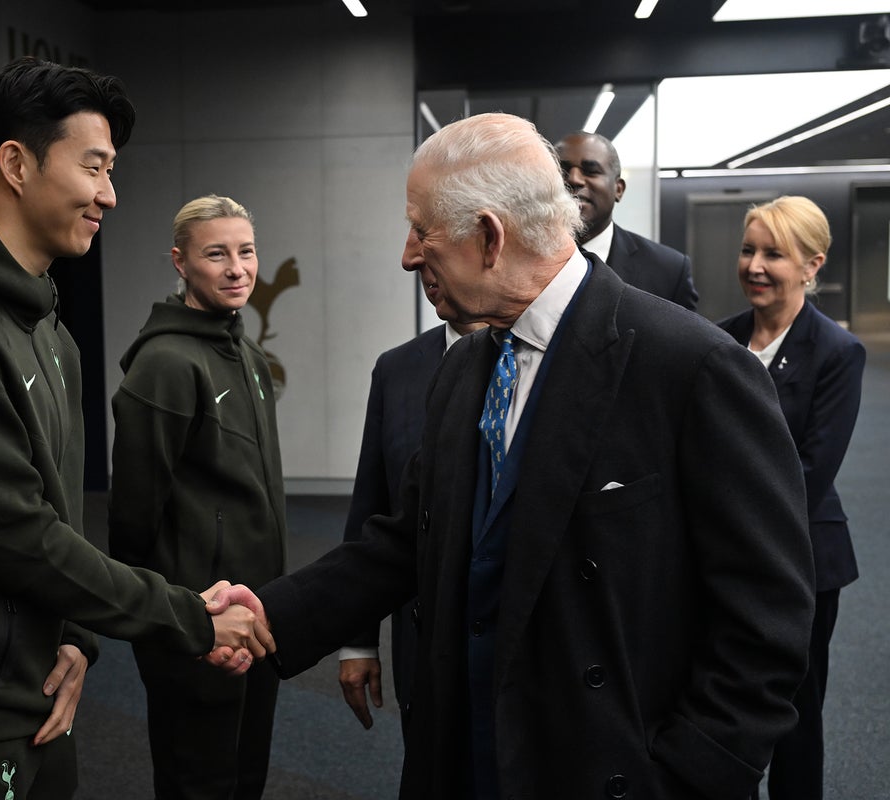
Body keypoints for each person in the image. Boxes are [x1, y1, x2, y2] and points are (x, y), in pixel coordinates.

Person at [219, 112, 816, 799]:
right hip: (468, 758)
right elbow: (408, 544)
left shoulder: (691, 368)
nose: (409, 255)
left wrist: (685, 777)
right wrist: (272, 614)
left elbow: (766, 619)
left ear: (490, 237)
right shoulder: (460, 370)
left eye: (422, 230)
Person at [0, 58, 270, 800]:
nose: (110, 193)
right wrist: (189, 618)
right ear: (15, 163)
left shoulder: (46, 324)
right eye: (95, 167)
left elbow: (59, 518)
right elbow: (13, 533)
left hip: (37, 689)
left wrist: (74, 635)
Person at [108, 194, 286, 800]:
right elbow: (132, 524)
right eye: (217, 254)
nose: (238, 268)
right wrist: (177, 627)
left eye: (247, 251)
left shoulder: (250, 357)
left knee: (244, 778)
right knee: (199, 783)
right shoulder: (162, 365)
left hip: (254, 619)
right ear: (181, 263)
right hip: (197, 624)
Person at [717, 196, 865, 800]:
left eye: (773, 254)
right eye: (749, 250)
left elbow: (809, 471)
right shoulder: (720, 339)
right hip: (718, 562)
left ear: (812, 265)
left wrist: (726, 528)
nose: (755, 265)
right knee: (723, 707)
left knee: (793, 711)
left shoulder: (835, 352)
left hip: (797, 564)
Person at [336, 283, 485, 734]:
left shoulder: (545, 358)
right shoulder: (397, 368)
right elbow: (372, 502)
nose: (414, 260)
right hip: (421, 633)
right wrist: (357, 641)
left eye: (429, 239)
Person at [556, 131, 698, 310]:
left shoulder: (669, 271)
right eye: (562, 171)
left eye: (591, 171)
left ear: (618, 189)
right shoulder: (520, 259)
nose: (573, 179)